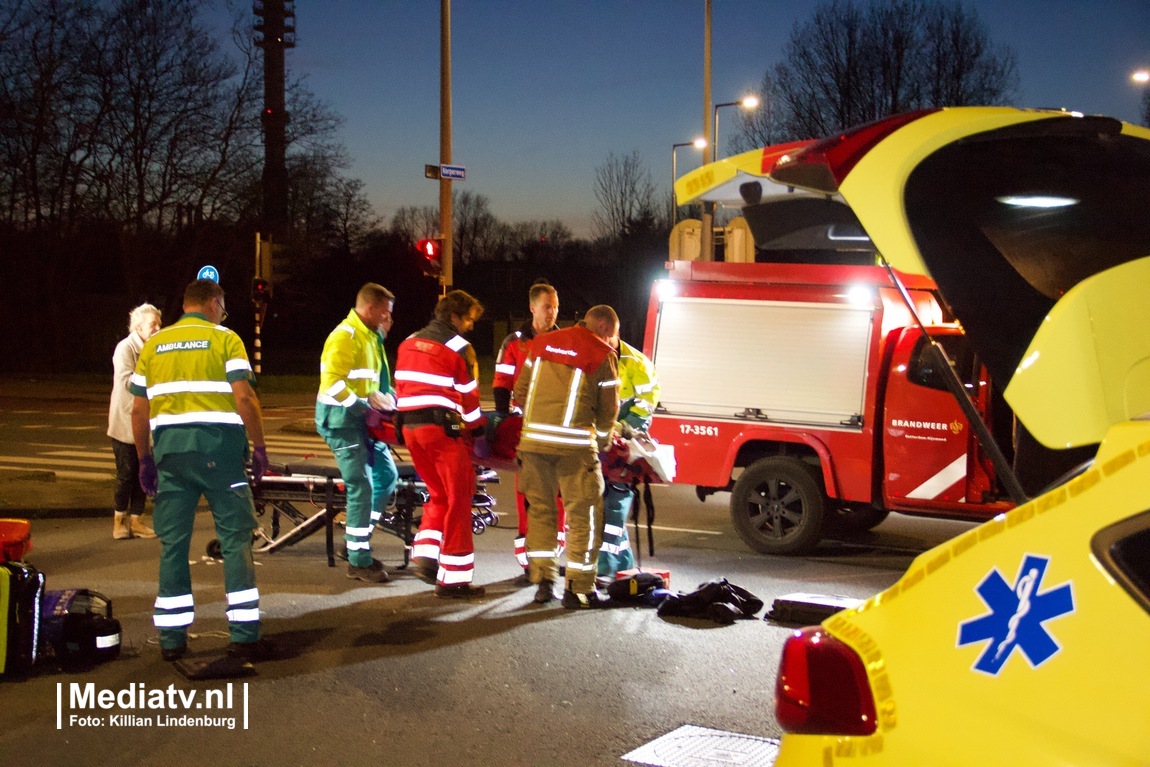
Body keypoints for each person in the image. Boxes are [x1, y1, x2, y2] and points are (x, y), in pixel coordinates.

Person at [130, 279, 272, 662]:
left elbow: (139, 411)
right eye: (222, 308)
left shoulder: (155, 346)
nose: (223, 314)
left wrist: (145, 459)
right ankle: (244, 635)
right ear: (213, 303)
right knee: (236, 540)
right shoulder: (226, 339)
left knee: (172, 545)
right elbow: (244, 397)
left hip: (171, 457)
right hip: (220, 453)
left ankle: (172, 640)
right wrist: (259, 447)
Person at [514, 305, 620, 608]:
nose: (612, 340)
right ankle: (579, 588)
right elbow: (608, 409)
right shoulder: (601, 354)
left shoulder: (542, 343)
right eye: (612, 334)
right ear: (602, 327)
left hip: (533, 445)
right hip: (575, 448)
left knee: (541, 513)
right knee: (583, 515)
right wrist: (603, 441)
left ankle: (544, 582)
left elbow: (520, 392)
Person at [394, 290, 487, 598]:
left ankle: (424, 557)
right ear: (454, 317)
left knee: (439, 495)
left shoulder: (408, 342)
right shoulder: (460, 348)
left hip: (411, 430)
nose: (470, 326)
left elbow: (402, 386)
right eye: (469, 319)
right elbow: (470, 404)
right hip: (442, 432)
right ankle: (454, 580)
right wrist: (478, 433)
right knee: (459, 500)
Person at [316, 283, 400, 583]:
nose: (388, 318)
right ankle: (358, 561)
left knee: (387, 477)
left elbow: (378, 383)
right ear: (370, 309)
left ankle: (355, 542)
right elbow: (333, 385)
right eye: (385, 313)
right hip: (341, 422)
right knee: (361, 486)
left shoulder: (370, 337)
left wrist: (392, 400)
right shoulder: (345, 336)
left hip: (363, 422)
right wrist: (365, 409)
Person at [492, 281, 565, 583]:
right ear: (533, 307)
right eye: (547, 306)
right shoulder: (515, 342)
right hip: (527, 426)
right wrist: (501, 418)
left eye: (556, 306)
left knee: (558, 495)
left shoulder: (564, 340)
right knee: (529, 495)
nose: (552, 312)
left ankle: (551, 556)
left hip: (556, 425)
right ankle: (528, 561)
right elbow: (501, 381)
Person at [596, 338, 660, 584]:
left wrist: (624, 430)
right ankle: (623, 564)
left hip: (623, 444)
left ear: (609, 332)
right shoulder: (598, 355)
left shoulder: (635, 363)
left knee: (614, 505)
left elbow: (645, 406)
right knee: (609, 505)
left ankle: (606, 568)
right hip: (605, 441)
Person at [108, 303, 162, 540]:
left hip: (146, 421)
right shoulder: (125, 349)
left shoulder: (155, 348)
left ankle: (137, 520)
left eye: (159, 323)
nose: (158, 328)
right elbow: (126, 380)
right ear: (138, 327)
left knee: (145, 469)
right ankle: (119, 520)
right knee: (126, 473)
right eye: (153, 324)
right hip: (125, 422)